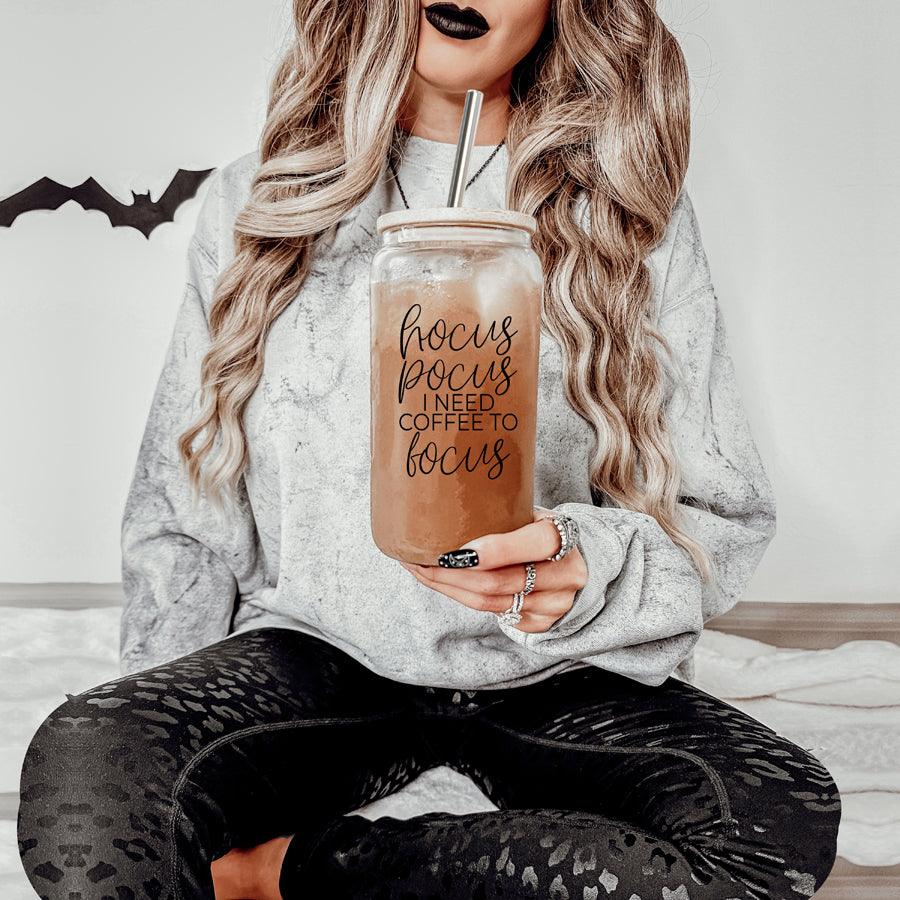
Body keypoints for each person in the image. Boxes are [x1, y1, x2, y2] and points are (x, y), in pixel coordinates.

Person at [17, 1, 841, 898]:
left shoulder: (629, 214)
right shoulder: (260, 202)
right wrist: (161, 749)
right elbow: (184, 509)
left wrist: (586, 568)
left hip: (558, 674)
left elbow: (720, 518)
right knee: (88, 768)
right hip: (322, 660)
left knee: (776, 822)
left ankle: (287, 873)